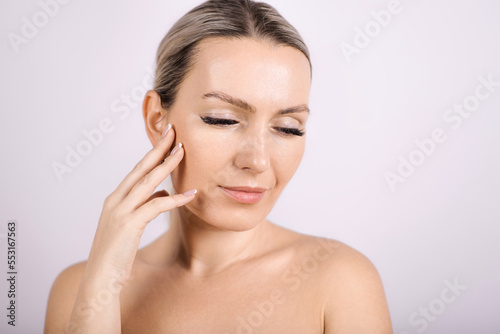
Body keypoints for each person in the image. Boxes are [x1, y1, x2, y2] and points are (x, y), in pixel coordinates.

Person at [44, 0, 392, 333]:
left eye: (288, 128)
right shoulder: (80, 288)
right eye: (222, 120)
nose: (256, 161)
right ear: (156, 119)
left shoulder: (341, 282)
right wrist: (102, 286)